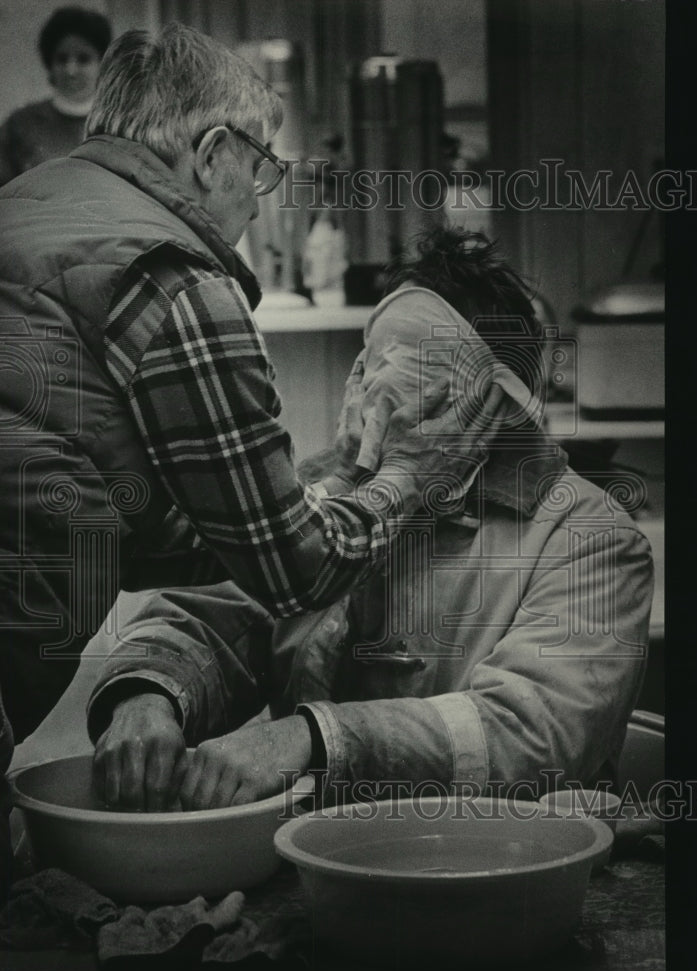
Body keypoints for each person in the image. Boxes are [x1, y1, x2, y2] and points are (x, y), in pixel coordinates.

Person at [0, 24, 475, 758]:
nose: (258, 206)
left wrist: (307, 496)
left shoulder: (26, 203)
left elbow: (124, 527)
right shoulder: (173, 278)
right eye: (260, 169)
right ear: (212, 151)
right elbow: (297, 572)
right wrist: (407, 479)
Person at [80, 228, 654, 812]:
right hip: (320, 868)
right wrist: (148, 696)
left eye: (406, 372)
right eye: (366, 362)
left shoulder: (591, 541)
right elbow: (211, 619)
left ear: (491, 406)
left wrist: (313, 739)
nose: (364, 392)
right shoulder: (323, 501)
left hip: (508, 880)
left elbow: (533, 734)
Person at [0, 6, 112, 185]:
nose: (71, 71)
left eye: (83, 59)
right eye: (61, 59)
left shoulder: (119, 125)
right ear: (49, 64)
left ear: (102, 64)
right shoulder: (20, 126)